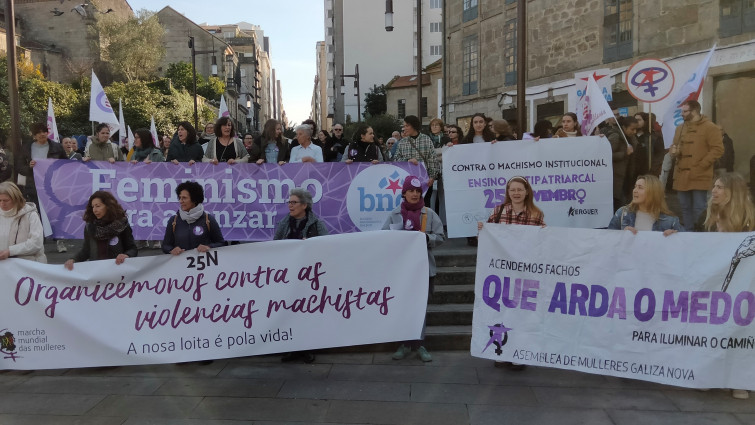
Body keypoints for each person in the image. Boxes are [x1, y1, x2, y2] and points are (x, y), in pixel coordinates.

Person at [383, 176, 445, 362]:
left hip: (424, 269)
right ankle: (404, 344)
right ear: (404, 193)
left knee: (420, 307)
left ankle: (419, 344)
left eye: (418, 191)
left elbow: (441, 236)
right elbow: (384, 238)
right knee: (402, 306)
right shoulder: (395, 214)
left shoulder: (429, 214)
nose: (415, 194)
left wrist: (426, 239)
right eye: (411, 191)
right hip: (401, 270)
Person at [273, 188, 328, 364]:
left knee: (306, 313)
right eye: (289, 202)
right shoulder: (284, 223)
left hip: (309, 276)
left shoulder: (317, 223)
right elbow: (275, 246)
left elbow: (328, 246)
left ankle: (307, 348)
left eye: (293, 202)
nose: (290, 205)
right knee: (289, 311)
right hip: (288, 275)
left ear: (304, 205)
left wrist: (311, 245)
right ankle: (291, 348)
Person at [669, 100, 724, 231]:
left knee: (700, 207)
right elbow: (675, 147)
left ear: (694, 111)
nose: (682, 114)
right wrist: (674, 151)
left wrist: (702, 165)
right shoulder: (680, 128)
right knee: (684, 207)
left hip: (700, 174)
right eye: (682, 111)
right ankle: (688, 232)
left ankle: (701, 233)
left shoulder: (710, 127)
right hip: (682, 175)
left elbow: (718, 149)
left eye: (685, 111)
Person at [64, 191, 137, 270]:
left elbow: (132, 248)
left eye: (98, 206)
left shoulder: (122, 224)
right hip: (96, 273)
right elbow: (86, 250)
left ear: (108, 206)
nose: (94, 210)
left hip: (117, 272)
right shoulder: (90, 226)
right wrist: (73, 259)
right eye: (93, 207)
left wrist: (126, 255)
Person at [162, 181, 225, 255]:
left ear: (194, 199)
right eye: (180, 198)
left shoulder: (208, 219)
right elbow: (165, 245)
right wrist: (171, 250)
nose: (180, 201)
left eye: (184, 198)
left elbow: (221, 243)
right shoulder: (173, 220)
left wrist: (209, 246)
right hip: (180, 265)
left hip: (204, 265)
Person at [607, 175, 682, 235]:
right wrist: (621, 235)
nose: (635, 191)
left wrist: (675, 237)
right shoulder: (622, 213)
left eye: (640, 188)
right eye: (635, 187)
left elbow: (686, 244)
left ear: (653, 193)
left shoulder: (671, 221)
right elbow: (608, 239)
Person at [394, 115, 441, 206]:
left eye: (407, 126)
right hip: (407, 181)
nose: (404, 128)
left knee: (424, 206)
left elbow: (432, 160)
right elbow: (395, 159)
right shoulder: (402, 143)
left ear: (414, 126)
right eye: (404, 126)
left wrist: (432, 177)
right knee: (408, 206)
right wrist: (407, 160)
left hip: (424, 181)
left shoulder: (426, 139)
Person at [17, 123, 67, 207]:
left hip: (53, 185)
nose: (42, 134)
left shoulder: (57, 147)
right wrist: (29, 167)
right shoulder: (26, 148)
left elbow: (66, 165)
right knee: (37, 211)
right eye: (39, 132)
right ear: (34, 135)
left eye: (44, 131)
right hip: (34, 187)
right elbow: (19, 167)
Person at [0, 181, 46, 263]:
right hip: (4, 267)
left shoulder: (30, 214)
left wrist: (10, 251)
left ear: (16, 199)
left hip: (28, 266)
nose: (2, 204)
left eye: (6, 200)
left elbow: (36, 243)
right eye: (0, 200)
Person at [603, 117, 634, 211]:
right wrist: (625, 153)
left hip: (626, 177)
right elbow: (606, 155)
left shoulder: (630, 137)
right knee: (620, 205)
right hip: (617, 177)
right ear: (624, 128)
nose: (635, 132)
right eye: (632, 129)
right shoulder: (615, 136)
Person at [634, 112, 665, 177]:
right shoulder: (632, 136)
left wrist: (652, 170)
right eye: (635, 120)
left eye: (639, 120)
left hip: (648, 173)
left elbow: (660, 155)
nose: (636, 122)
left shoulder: (654, 137)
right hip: (634, 173)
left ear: (645, 121)